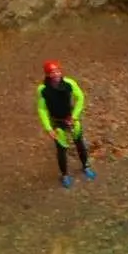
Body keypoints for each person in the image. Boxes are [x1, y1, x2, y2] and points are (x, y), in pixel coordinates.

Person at [37, 60, 94, 188]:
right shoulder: (43, 89)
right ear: (48, 74)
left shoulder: (69, 83)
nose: (56, 74)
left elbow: (80, 97)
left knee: (80, 144)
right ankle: (65, 174)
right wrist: (48, 128)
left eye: (58, 71)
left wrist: (74, 116)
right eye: (53, 72)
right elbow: (42, 109)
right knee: (61, 150)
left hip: (71, 120)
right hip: (57, 123)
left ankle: (86, 166)